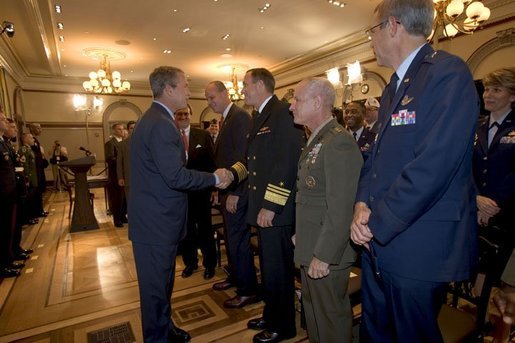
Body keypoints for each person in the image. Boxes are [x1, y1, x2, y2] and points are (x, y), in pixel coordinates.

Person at [350, 0, 479, 341]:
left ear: (393, 26)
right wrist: (361, 203)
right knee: (376, 333)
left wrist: (375, 224)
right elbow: (375, 159)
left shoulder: (446, 73)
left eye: (372, 31)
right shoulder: (394, 86)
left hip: (418, 245)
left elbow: (433, 165)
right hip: (379, 239)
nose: (371, 40)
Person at [128, 66, 230, 343]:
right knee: (154, 290)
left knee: (162, 285)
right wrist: (213, 177)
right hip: (155, 224)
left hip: (158, 221)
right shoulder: (160, 124)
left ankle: (165, 328)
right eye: (185, 85)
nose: (188, 90)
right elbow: (175, 176)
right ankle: (158, 337)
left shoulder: (156, 118)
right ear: (169, 89)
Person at [229, 68, 304, 343]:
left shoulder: (283, 113)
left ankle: (283, 326)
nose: (243, 89)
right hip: (263, 209)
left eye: (246, 84)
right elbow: (252, 161)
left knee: (278, 270)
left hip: (276, 211)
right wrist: (232, 174)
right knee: (269, 268)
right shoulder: (260, 115)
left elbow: (286, 162)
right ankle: (272, 314)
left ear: (260, 84)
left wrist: (271, 205)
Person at [290, 77, 362, 342]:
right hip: (313, 245)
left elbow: (341, 207)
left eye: (297, 99)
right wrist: (304, 236)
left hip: (326, 252)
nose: (291, 106)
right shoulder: (317, 139)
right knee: (315, 316)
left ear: (317, 102)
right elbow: (313, 197)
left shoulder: (337, 141)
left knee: (331, 321)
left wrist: (324, 254)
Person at [204, 81, 257, 303]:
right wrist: (219, 190)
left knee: (238, 241)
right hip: (227, 190)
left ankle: (248, 290)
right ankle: (236, 278)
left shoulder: (241, 117)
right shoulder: (227, 118)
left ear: (226, 94)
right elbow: (223, 159)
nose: (209, 102)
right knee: (231, 239)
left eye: (212, 97)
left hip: (237, 191)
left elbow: (245, 159)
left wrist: (237, 192)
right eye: (207, 98)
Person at [473, 67, 515, 281]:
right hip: (474, 209)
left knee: (499, 278)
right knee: (475, 270)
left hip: (507, 214)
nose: (488, 95)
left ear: (512, 95)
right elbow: (464, 167)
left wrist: (494, 203)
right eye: (487, 89)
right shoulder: (476, 126)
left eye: (496, 90)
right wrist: (476, 198)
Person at [175, 106, 218, 280]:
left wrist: (214, 188)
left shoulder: (203, 135)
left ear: (190, 115)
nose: (184, 116)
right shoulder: (170, 135)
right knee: (186, 230)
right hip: (180, 194)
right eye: (180, 114)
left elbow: (212, 162)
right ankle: (190, 263)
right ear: (175, 117)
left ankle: (210, 265)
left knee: (205, 230)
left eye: (186, 113)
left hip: (201, 191)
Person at [0, 110, 22, 278]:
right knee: (4, 230)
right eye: (3, 120)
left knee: (10, 227)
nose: (6, 124)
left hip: (10, 191)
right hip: (4, 193)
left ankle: (10, 257)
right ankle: (4, 264)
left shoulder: (4, 143)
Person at [105, 122, 125, 228]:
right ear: (113, 131)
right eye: (119, 129)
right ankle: (117, 219)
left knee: (124, 197)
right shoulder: (110, 143)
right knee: (117, 198)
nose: (121, 131)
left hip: (126, 174)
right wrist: (122, 160)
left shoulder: (125, 142)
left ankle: (123, 216)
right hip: (115, 175)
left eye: (122, 129)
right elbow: (109, 159)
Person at [27, 123, 48, 218]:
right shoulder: (32, 141)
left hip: (39, 169)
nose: (40, 130)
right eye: (38, 128)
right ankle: (37, 211)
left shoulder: (35, 140)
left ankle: (39, 210)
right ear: (32, 129)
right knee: (36, 191)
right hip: (35, 170)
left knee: (39, 191)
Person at [117, 121, 135, 200]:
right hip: (129, 178)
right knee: (130, 202)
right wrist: (120, 177)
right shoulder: (122, 144)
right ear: (128, 130)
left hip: (143, 179)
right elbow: (119, 163)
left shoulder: (144, 142)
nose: (134, 129)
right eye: (131, 128)